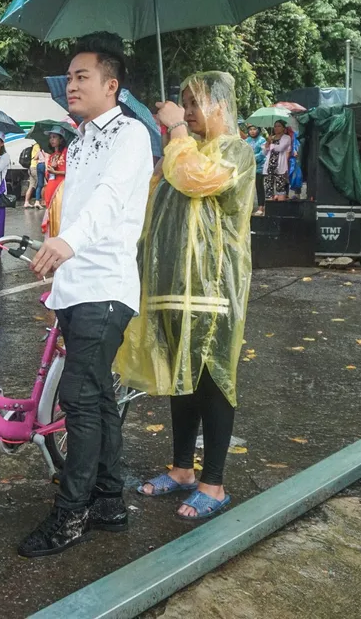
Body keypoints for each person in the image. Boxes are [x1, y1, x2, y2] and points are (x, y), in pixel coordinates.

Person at [19, 33, 151, 558]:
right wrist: (57, 262)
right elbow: (71, 213)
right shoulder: (78, 141)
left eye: (82, 77)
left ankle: (71, 516)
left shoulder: (131, 135)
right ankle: (110, 501)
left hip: (108, 286)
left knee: (77, 399)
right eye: (69, 77)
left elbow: (110, 199)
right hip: (77, 285)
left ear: (111, 85)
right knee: (95, 397)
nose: (71, 85)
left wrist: (68, 242)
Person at [117, 72, 253, 520]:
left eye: (195, 104)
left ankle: (213, 483)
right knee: (181, 379)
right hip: (173, 290)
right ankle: (181, 469)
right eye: (184, 104)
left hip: (214, 292)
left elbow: (198, 180)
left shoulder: (236, 151)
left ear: (220, 106)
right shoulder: (181, 152)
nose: (189, 112)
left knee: (213, 381)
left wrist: (176, 131)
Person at [40, 129, 68, 238]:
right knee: (51, 217)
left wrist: (55, 171)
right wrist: (52, 167)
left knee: (58, 216)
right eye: (50, 137)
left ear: (61, 139)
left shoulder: (66, 152)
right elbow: (48, 175)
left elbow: (70, 172)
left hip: (60, 188)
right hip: (51, 188)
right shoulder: (52, 155)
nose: (52, 140)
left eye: (54, 137)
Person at [262, 120, 291, 201]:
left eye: (279, 126)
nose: (276, 128)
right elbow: (264, 152)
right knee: (268, 187)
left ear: (283, 128)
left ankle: (281, 210)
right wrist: (268, 142)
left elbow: (280, 148)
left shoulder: (286, 137)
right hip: (269, 166)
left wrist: (271, 144)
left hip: (279, 166)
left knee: (280, 187)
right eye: (275, 126)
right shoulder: (271, 138)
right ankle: (269, 209)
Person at [245, 124, 266, 209]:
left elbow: (263, 153)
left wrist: (253, 157)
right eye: (250, 129)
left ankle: (261, 206)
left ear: (258, 130)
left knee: (259, 186)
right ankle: (247, 207)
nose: (252, 131)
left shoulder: (262, 140)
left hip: (259, 167)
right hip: (249, 167)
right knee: (247, 188)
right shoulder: (246, 141)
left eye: (254, 129)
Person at [23, 140, 41, 208]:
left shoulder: (34, 146)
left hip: (31, 167)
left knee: (31, 186)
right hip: (35, 168)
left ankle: (26, 202)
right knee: (42, 185)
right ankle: (40, 201)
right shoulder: (37, 146)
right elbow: (38, 156)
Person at [33, 141, 48, 208]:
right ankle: (46, 200)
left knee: (39, 185)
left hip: (38, 165)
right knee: (47, 184)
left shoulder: (40, 150)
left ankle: (37, 201)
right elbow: (47, 158)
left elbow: (35, 158)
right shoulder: (47, 150)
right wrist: (47, 168)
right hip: (44, 165)